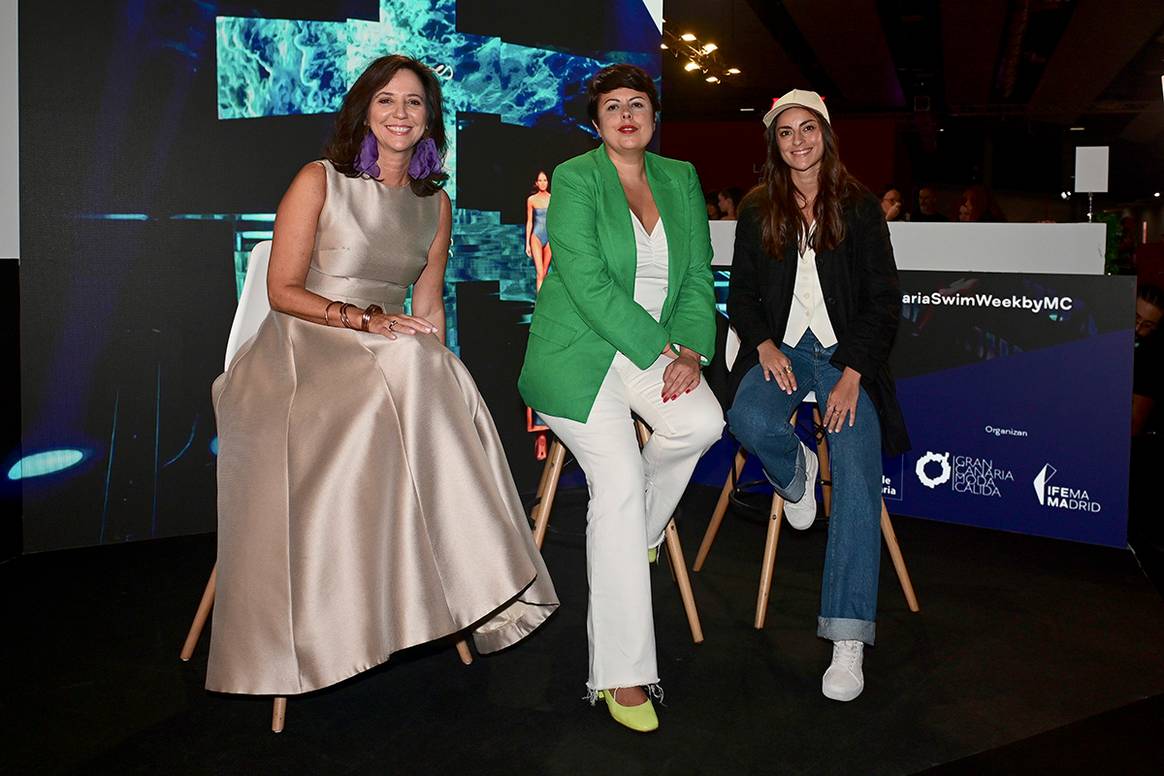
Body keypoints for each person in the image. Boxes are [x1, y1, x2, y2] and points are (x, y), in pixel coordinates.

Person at [207, 54, 558, 697]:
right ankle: (481, 577)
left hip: (387, 360)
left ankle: (456, 579)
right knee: (415, 361)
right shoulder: (320, 179)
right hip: (297, 351)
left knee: (439, 367)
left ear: (429, 120)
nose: (401, 114)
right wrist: (366, 321)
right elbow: (282, 291)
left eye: (415, 103)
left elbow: (426, 308)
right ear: (365, 111)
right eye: (387, 101)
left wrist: (440, 364)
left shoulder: (435, 204)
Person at [517, 63, 724, 733]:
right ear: (598, 120)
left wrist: (690, 351)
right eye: (613, 106)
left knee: (703, 421)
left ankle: (643, 531)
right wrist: (660, 350)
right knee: (619, 478)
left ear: (654, 117)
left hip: (655, 349)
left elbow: (696, 275)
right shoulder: (576, 178)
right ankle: (622, 676)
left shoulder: (680, 178)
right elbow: (585, 280)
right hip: (578, 354)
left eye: (639, 103)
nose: (627, 114)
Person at [725, 88, 910, 703]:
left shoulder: (857, 207)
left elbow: (885, 301)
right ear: (774, 143)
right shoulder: (757, 208)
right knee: (747, 415)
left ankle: (848, 636)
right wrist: (765, 346)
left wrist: (854, 371)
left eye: (808, 129)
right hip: (785, 350)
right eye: (786, 132)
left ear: (826, 135)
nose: (798, 141)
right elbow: (743, 296)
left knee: (857, 468)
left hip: (844, 358)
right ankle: (796, 469)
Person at [1133, 283, 1164, 435]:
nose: (1137, 328)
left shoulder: (1149, 361)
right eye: (1135, 318)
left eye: (1147, 325)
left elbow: (1134, 424)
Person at [526, 170, 552, 290]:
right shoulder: (531, 200)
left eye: (545, 180)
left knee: (545, 274)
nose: (543, 183)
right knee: (540, 273)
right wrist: (527, 244)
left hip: (549, 238)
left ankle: (543, 303)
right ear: (536, 183)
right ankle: (539, 305)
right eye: (540, 180)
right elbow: (530, 221)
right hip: (536, 236)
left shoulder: (553, 198)